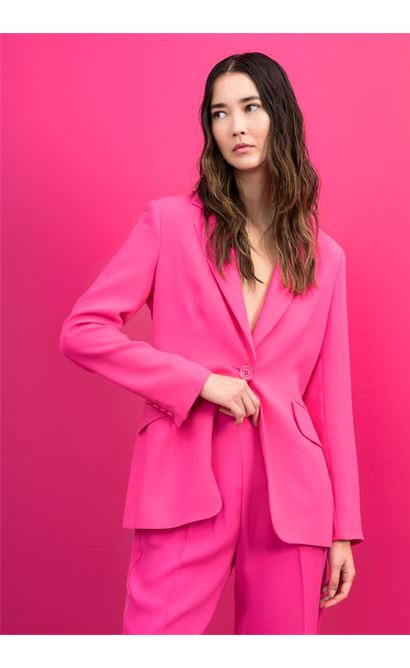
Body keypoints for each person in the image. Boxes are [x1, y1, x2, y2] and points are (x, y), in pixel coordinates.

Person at [59, 51, 365, 635]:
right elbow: (83, 330)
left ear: (280, 116)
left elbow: (332, 401)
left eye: (250, 108)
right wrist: (197, 381)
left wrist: (343, 527)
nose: (236, 127)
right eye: (220, 113)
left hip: (292, 498)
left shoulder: (325, 257)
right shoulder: (170, 224)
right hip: (184, 477)